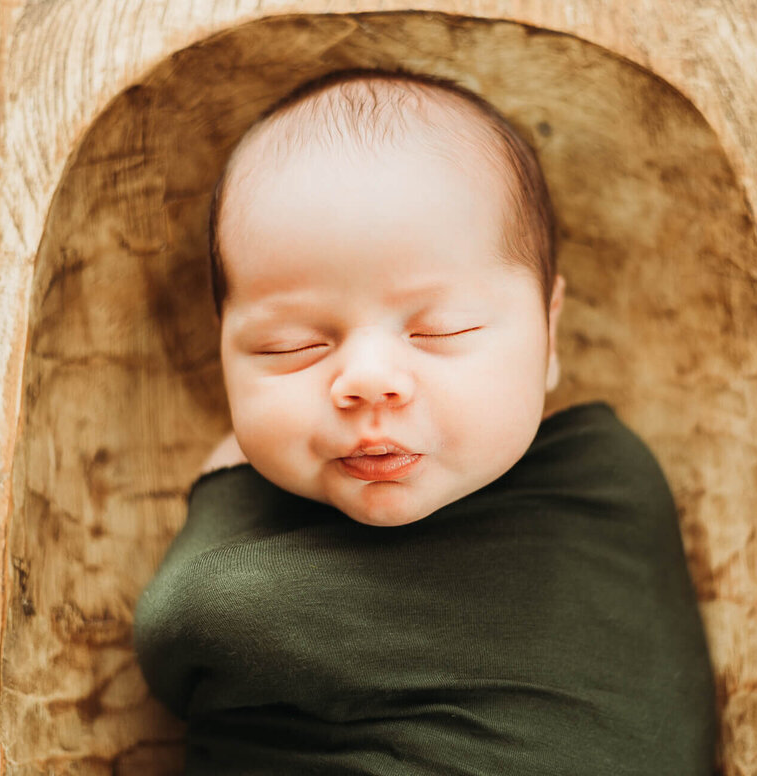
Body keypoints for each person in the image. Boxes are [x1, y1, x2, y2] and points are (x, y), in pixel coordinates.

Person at [133, 68, 716, 774]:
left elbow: (195, 623)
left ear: (549, 335)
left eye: (440, 330)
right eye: (292, 347)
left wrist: (223, 497)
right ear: (222, 347)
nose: (369, 383)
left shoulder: (605, 483)